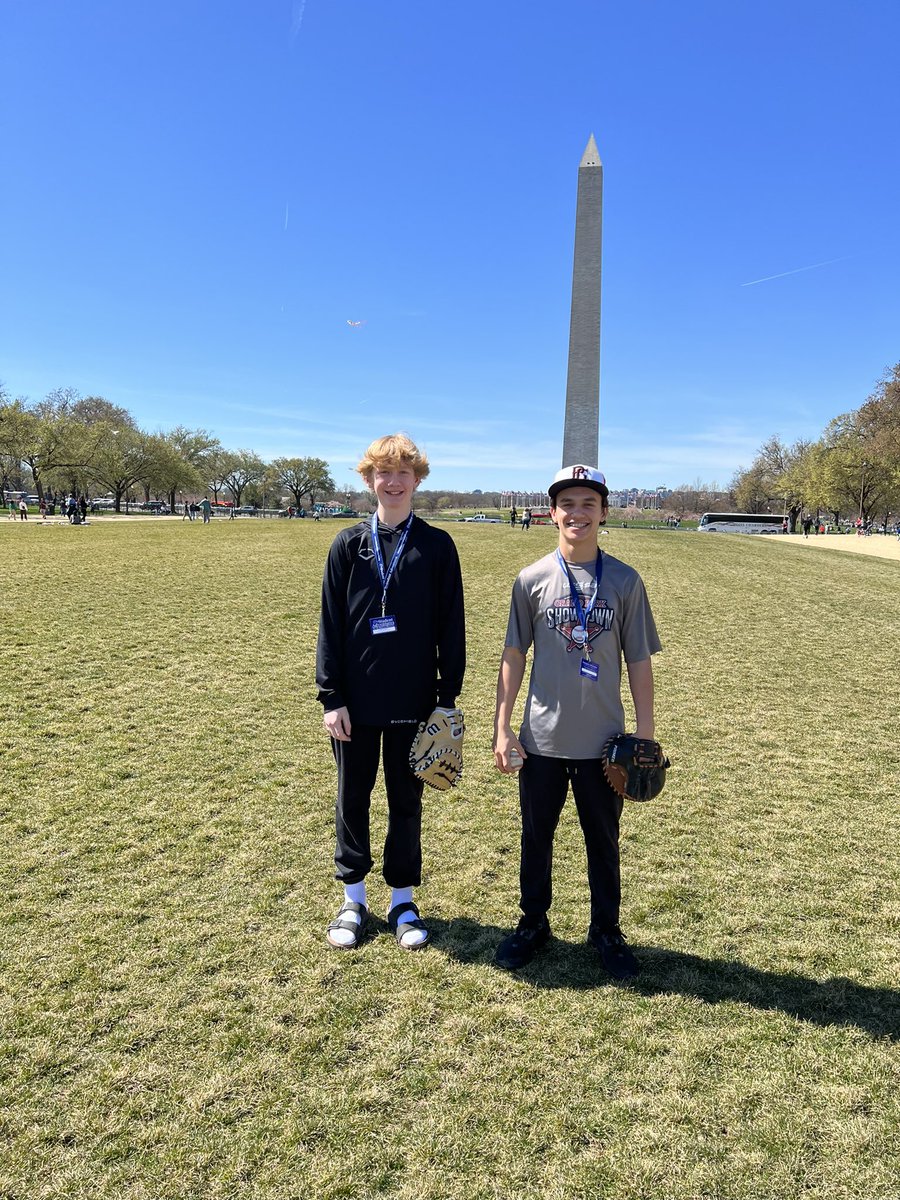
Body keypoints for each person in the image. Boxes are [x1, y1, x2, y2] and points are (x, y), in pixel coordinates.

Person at [492, 464, 662, 980]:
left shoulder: (625, 581)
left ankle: (606, 930)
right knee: (535, 838)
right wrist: (502, 727)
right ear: (552, 513)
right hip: (541, 740)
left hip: (604, 745)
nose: (577, 513)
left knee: (603, 842)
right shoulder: (531, 579)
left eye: (589, 503)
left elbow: (639, 660)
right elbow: (514, 654)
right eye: (567, 503)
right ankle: (532, 923)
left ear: (604, 512)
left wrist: (645, 735)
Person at [317, 434, 465, 952]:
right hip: (354, 705)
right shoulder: (347, 544)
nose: (394, 481)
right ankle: (353, 900)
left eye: (404, 472)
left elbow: (451, 627)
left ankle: (402, 900)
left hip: (414, 702)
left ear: (417, 479)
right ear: (369, 479)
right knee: (351, 798)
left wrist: (446, 699)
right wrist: (331, 697)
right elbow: (330, 624)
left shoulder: (437, 545)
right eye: (384, 472)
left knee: (406, 801)